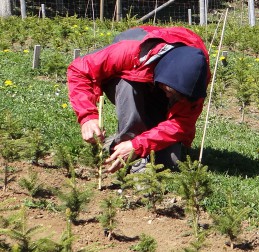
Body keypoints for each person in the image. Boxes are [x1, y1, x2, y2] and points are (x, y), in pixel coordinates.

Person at [67, 25, 211, 174]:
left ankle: (119, 146)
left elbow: (181, 124)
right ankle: (125, 148)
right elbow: (79, 70)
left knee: (170, 161)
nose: (169, 96)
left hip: (154, 86)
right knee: (129, 88)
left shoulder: (196, 77)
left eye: (176, 96)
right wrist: (87, 116)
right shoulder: (132, 50)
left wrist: (138, 145)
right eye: (169, 91)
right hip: (129, 81)